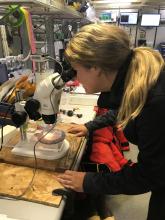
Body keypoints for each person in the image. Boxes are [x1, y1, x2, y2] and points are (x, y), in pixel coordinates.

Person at [57, 23, 165, 220]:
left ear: (96, 68)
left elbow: (150, 175)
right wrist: (89, 126)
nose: (76, 78)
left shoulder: (156, 102)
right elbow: (124, 108)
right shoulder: (136, 81)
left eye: (76, 70)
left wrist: (89, 182)